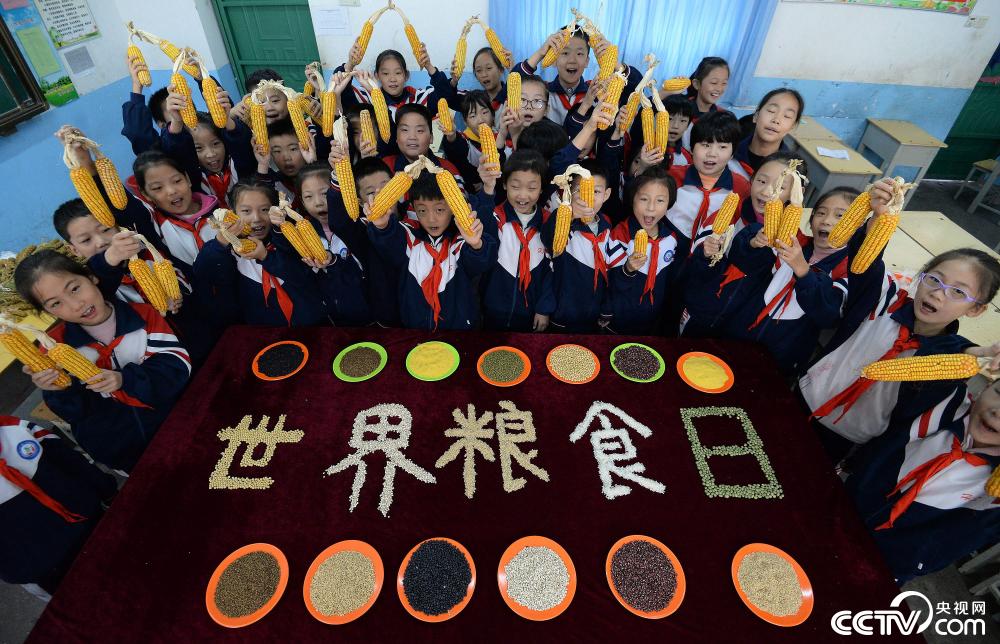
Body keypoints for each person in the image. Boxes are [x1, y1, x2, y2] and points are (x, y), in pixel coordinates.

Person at [800, 245, 1000, 463]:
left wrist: (975, 352)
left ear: (975, 309)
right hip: (804, 398)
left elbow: (946, 350)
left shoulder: (944, 360)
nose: (937, 293)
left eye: (958, 292)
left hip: (845, 438)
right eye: (934, 279)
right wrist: (874, 227)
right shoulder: (884, 301)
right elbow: (865, 262)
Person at [14, 251, 191, 472]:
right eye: (56, 303)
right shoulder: (54, 349)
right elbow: (75, 412)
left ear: (91, 277)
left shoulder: (143, 316)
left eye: (75, 288)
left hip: (177, 424)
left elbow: (175, 368)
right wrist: (57, 390)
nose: (76, 305)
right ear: (46, 311)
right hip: (120, 449)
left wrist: (124, 380)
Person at [846, 381, 1000, 583]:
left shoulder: (993, 501)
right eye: (999, 392)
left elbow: (957, 541)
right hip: (842, 505)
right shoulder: (943, 403)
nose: (997, 412)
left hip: (882, 564)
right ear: (985, 387)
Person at [720, 187, 857, 375]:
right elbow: (743, 262)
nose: (827, 220)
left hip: (780, 358)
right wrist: (754, 243)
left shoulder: (848, 270)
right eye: (821, 213)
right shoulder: (790, 241)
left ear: (857, 226)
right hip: (738, 334)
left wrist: (803, 271)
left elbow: (828, 316)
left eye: (840, 216)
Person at [678, 153, 807, 338]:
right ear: (752, 180)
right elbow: (695, 268)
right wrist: (705, 254)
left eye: (780, 187)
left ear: (795, 193)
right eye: (762, 181)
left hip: (739, 330)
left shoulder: (795, 241)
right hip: (700, 310)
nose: (766, 192)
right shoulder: (727, 216)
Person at [0, 416, 117, 595]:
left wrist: (107, 491)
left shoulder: (14, 429)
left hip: (92, 524)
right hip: (47, 569)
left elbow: (69, 461)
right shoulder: (12, 429)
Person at [366, 171, 496, 330]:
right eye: (422, 210)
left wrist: (476, 244)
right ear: (414, 208)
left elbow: (482, 262)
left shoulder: (461, 241)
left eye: (439, 209)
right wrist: (381, 225)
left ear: (453, 207)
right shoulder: (408, 237)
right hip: (415, 330)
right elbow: (388, 242)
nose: (431, 219)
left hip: (460, 332)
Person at [193, 179, 327, 327]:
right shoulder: (229, 251)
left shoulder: (289, 239)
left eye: (264, 210)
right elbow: (202, 272)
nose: (256, 218)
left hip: (310, 326)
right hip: (262, 331)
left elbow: (303, 277)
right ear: (233, 213)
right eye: (246, 211)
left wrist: (266, 256)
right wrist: (221, 241)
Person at [474, 150, 554, 332]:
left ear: (542, 189)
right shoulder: (495, 217)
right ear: (504, 184)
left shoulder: (549, 223)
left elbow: (552, 271)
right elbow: (480, 235)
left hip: (532, 314)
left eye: (532, 188)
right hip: (492, 311)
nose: (523, 196)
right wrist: (488, 188)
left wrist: (544, 307)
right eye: (515, 187)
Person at [605, 167, 682, 334]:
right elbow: (608, 283)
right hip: (619, 321)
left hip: (652, 321)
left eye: (660, 200)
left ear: (669, 203)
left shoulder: (671, 239)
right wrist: (628, 270)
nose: (651, 208)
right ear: (632, 198)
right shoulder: (620, 236)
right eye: (644, 199)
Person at [540, 159, 614, 333]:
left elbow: (609, 273)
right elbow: (548, 238)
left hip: (593, 316)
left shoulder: (607, 226)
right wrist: (570, 214)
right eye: (580, 190)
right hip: (562, 315)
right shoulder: (564, 222)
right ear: (569, 192)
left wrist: (606, 308)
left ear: (606, 194)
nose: (588, 197)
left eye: (596, 191)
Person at [294, 163, 370, 326]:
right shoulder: (303, 234)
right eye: (308, 197)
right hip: (331, 320)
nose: (318, 203)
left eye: (324, 193)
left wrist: (334, 261)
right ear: (301, 201)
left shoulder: (356, 228)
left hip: (367, 316)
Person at [667, 111, 750, 255]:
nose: (712, 153)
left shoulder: (741, 187)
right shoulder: (672, 176)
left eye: (722, 147)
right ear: (691, 148)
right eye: (705, 145)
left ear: (732, 153)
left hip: (710, 260)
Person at [733, 88, 805, 173]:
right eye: (771, 111)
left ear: (792, 126)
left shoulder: (790, 170)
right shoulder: (729, 152)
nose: (776, 120)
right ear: (756, 116)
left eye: (787, 116)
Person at [440, 90, 496, 189]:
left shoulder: (502, 140)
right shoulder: (464, 141)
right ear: (465, 122)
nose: (480, 120)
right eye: (473, 116)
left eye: (484, 112)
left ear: (493, 114)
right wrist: (451, 136)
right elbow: (456, 150)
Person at [122, 51, 168, 155]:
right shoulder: (165, 149)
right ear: (162, 125)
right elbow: (138, 133)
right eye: (174, 112)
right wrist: (137, 86)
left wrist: (202, 80)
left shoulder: (202, 126)